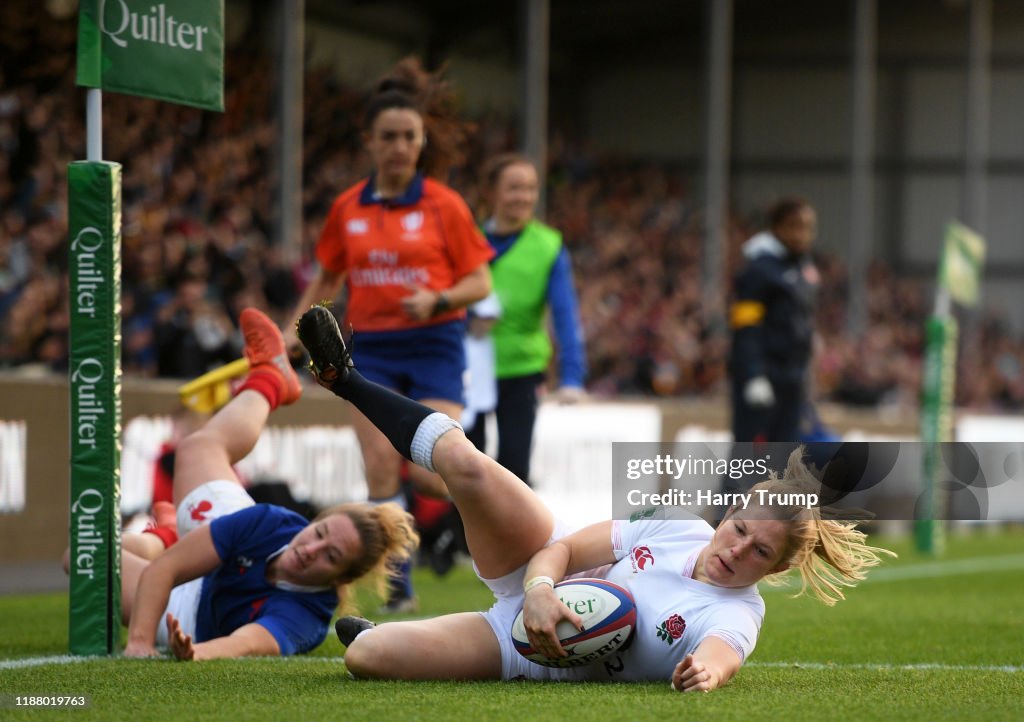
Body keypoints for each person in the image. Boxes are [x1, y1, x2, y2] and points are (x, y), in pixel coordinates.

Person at [295, 305, 893, 691]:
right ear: (728, 515)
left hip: (528, 651)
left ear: (778, 568)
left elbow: (722, 655)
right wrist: (537, 590)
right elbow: (563, 550)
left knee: (367, 658)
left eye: (760, 552)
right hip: (535, 572)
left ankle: (389, 632)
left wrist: (705, 674)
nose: (738, 551)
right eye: (739, 530)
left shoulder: (736, 616)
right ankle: (344, 379)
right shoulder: (677, 526)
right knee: (467, 467)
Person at [85, 308, 419, 660]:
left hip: (190, 613)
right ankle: (271, 378)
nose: (310, 550)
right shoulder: (273, 523)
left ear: (340, 579)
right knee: (198, 446)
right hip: (215, 549)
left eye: (330, 556)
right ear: (313, 523)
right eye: (318, 535)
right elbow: (164, 571)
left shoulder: (304, 618)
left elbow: (242, 644)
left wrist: (194, 651)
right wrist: (138, 643)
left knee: (80, 558)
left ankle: (166, 538)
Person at [285, 57, 493, 612]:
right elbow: (326, 278)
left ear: (422, 142)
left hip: (435, 347)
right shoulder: (347, 208)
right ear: (369, 143)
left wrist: (439, 298)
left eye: (409, 137)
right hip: (369, 347)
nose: (399, 147)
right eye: (388, 138)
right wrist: (294, 331)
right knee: (379, 464)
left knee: (431, 475)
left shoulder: (444, 205)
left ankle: (502, 512)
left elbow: (480, 280)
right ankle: (399, 584)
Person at [465, 154, 586, 484]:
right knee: (464, 467)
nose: (523, 196)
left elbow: (565, 314)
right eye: (514, 187)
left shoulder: (548, 245)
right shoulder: (466, 239)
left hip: (520, 370)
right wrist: (466, 319)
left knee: (514, 473)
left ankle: (509, 537)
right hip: (467, 370)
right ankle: (462, 537)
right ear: (491, 192)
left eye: (530, 188)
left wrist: (572, 376)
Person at [728, 197, 820, 443]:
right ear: (778, 228)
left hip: (794, 379)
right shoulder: (759, 271)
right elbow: (746, 326)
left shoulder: (805, 269)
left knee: (785, 456)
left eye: (808, 227)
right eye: (795, 226)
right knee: (751, 455)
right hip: (767, 376)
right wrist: (753, 374)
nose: (802, 234)